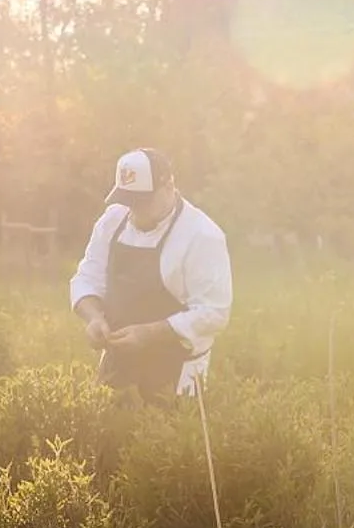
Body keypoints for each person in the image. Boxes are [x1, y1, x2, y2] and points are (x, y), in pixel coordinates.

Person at [68, 148, 232, 403]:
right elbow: (87, 276)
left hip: (177, 372)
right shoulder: (112, 220)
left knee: (169, 440)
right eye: (128, 201)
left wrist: (150, 333)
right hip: (118, 364)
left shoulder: (202, 235)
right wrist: (93, 318)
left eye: (143, 201)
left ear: (169, 186)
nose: (135, 210)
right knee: (106, 439)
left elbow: (214, 312)